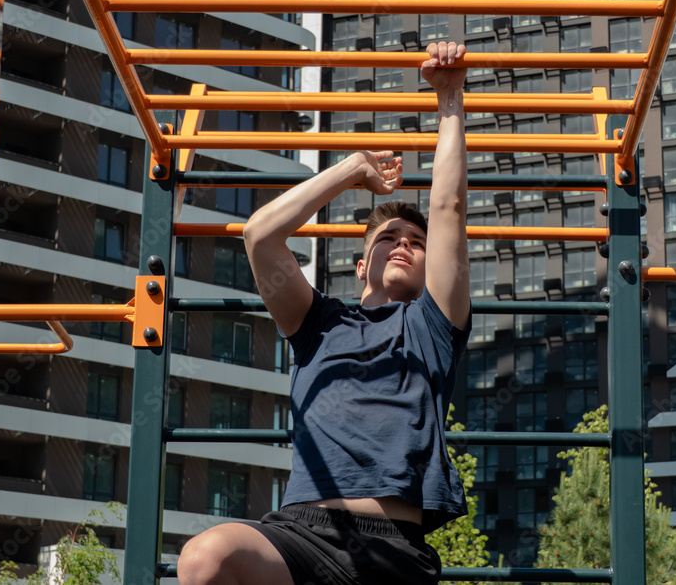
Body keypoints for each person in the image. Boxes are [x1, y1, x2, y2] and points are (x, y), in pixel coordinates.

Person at [177, 41, 471, 585]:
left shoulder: (433, 327)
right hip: (302, 534)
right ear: (362, 265)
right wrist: (353, 170)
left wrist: (450, 98)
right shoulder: (318, 322)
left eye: (416, 241)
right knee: (205, 558)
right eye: (389, 238)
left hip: (393, 549)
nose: (404, 244)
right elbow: (260, 236)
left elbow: (448, 207)